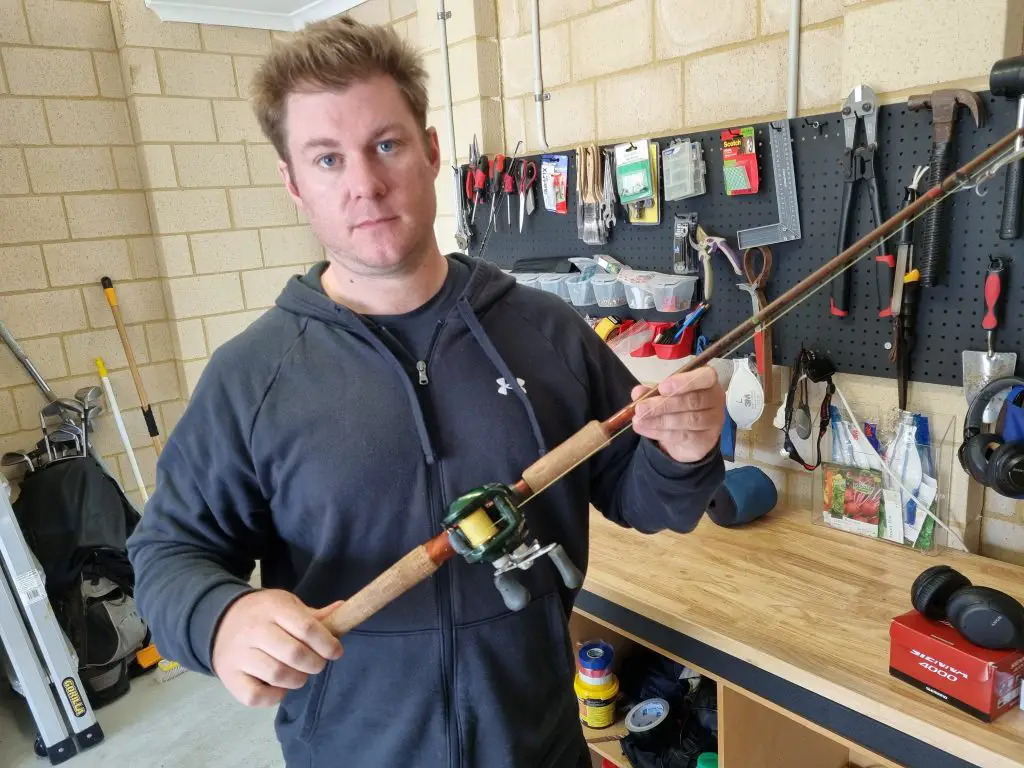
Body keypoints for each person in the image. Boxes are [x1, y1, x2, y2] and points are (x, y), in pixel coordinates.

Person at [126, 16, 726, 768]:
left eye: (386, 144)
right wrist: (221, 618)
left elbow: (643, 499)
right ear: (291, 183)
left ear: (430, 151)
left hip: (540, 748)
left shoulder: (545, 329)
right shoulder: (253, 374)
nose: (365, 185)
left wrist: (685, 451)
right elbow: (167, 553)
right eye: (326, 159)